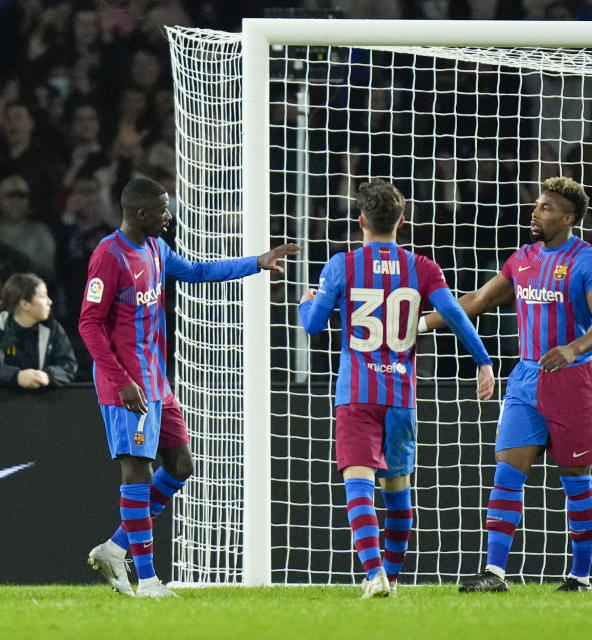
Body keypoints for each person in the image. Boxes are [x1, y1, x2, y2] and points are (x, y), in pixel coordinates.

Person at [78, 176, 299, 598]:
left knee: (180, 466)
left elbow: (198, 271)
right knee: (136, 470)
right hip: (126, 384)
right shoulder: (109, 256)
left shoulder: (156, 250)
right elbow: (88, 323)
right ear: (141, 213)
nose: (169, 215)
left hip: (156, 381)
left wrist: (257, 261)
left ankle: (114, 548)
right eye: (163, 209)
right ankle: (147, 580)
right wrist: (121, 379)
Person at [422, 176, 592, 593]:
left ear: (569, 218)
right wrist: (419, 324)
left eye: (546, 208)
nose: (535, 212)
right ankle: (494, 574)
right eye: (537, 205)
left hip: (574, 378)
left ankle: (580, 577)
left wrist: (573, 347)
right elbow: (476, 301)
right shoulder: (522, 260)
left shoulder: (590, 260)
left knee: (575, 479)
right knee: (507, 472)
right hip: (526, 378)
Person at [298, 179, 495, 598]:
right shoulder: (422, 267)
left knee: (358, 481)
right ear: (402, 221)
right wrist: (483, 361)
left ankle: (374, 575)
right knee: (397, 488)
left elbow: (313, 326)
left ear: (361, 220)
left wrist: (304, 301)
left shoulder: (341, 264)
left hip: (357, 393)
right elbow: (456, 314)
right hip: (401, 395)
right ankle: (392, 575)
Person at [0, 272, 77, 389]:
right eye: (43, 296)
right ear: (25, 304)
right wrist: (17, 376)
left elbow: (69, 366)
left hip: (40, 404)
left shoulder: (52, 328)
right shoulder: (2, 325)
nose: (49, 302)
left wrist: (48, 376)